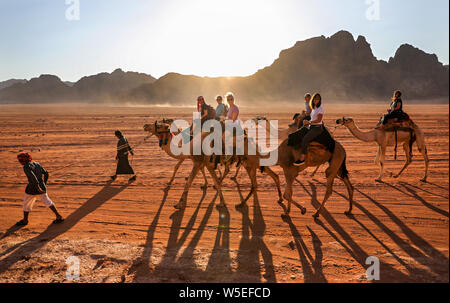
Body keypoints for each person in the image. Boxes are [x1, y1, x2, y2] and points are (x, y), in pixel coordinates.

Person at [15, 153, 64, 226]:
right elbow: (46, 173)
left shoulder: (26, 166)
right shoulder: (37, 164)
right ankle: (58, 216)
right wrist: (44, 184)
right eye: (20, 160)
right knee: (47, 201)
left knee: (26, 203)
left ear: (26, 159)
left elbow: (33, 178)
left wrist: (38, 187)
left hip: (32, 188)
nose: (20, 161)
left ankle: (25, 221)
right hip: (41, 186)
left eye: (22, 159)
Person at [294, 93, 325, 166]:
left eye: (317, 99)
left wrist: (309, 122)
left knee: (305, 139)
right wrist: (307, 122)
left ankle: (302, 159)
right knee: (298, 134)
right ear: (313, 99)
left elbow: (318, 120)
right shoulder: (314, 108)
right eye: (315, 99)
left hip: (317, 128)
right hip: (311, 126)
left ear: (320, 100)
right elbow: (313, 118)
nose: (316, 100)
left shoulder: (320, 108)